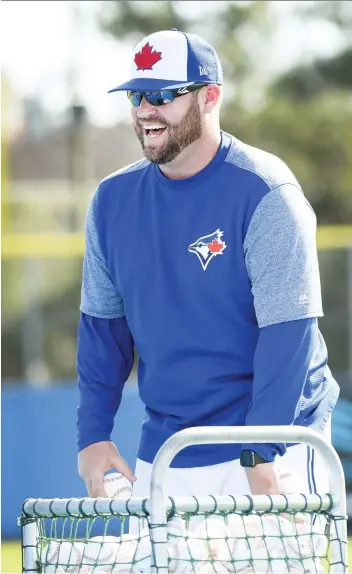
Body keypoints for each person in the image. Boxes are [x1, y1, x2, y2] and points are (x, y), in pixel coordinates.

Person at [77, 29, 339, 503]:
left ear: (210, 97)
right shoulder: (111, 201)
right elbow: (103, 332)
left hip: (278, 439)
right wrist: (93, 436)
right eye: (136, 95)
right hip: (171, 446)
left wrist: (262, 453)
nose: (144, 111)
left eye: (162, 95)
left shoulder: (266, 192)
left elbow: (289, 334)